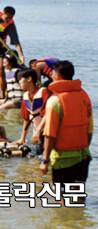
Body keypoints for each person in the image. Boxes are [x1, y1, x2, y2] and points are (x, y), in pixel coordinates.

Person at [39, 61, 92, 201]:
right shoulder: (84, 95)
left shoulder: (54, 101)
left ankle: (65, 222)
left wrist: (45, 160)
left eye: (52, 74)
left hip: (63, 160)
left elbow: (50, 134)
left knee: (61, 200)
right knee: (78, 198)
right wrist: (83, 147)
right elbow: (89, 129)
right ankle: (78, 221)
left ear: (56, 76)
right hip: (83, 157)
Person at [12, 69, 51, 154]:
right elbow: (26, 119)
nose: (19, 83)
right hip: (37, 135)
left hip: (48, 133)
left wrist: (38, 130)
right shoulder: (25, 96)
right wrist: (22, 138)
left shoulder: (44, 92)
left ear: (29, 79)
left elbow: (48, 114)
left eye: (20, 80)